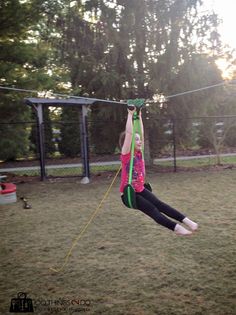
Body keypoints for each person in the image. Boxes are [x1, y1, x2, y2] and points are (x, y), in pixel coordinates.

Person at [119, 106, 198, 236]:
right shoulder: (126, 154)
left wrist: (139, 116)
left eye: (139, 139)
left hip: (139, 189)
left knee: (160, 205)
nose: (139, 141)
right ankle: (176, 228)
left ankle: (187, 221)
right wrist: (130, 114)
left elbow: (141, 133)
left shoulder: (139, 153)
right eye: (136, 139)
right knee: (152, 210)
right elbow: (129, 134)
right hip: (129, 194)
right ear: (128, 143)